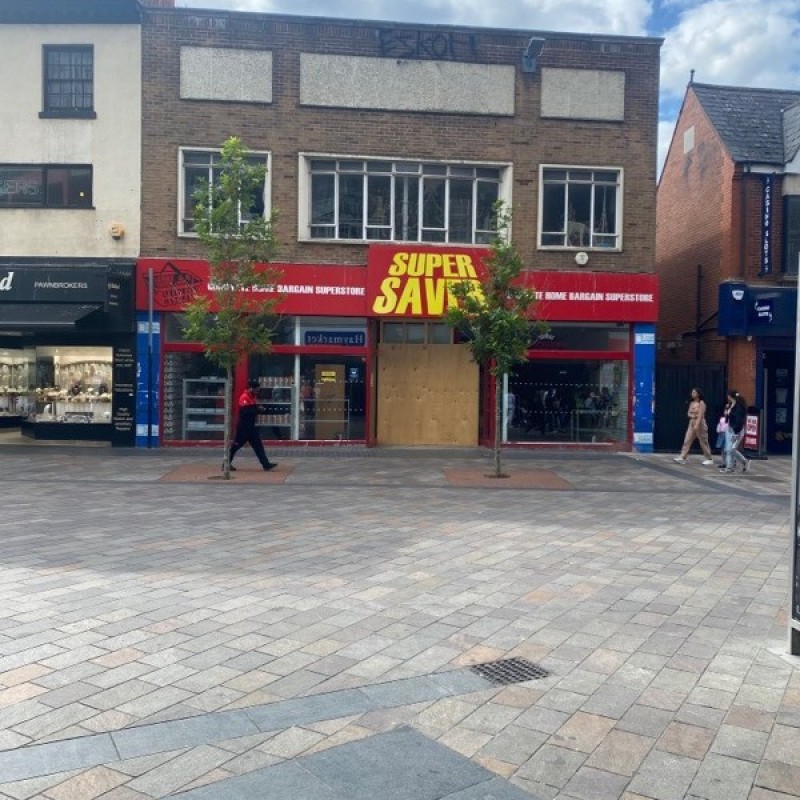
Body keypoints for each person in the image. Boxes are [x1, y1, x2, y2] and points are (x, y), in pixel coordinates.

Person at [227, 379, 277, 472]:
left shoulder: (252, 397)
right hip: (243, 427)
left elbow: (252, 409)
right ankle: (226, 463)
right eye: (257, 389)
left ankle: (266, 464)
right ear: (251, 388)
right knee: (236, 446)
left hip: (251, 427)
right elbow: (246, 412)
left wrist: (258, 408)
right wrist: (258, 409)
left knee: (258, 446)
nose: (258, 391)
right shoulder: (244, 397)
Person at [673, 387, 714, 465]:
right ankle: (682, 457)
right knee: (687, 440)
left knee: (703, 442)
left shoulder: (701, 403)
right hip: (692, 422)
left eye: (694, 392)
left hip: (700, 424)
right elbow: (688, 413)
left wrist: (697, 425)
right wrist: (693, 416)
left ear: (698, 394)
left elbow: (700, 415)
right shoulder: (692, 403)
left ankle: (709, 458)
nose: (692, 394)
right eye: (692, 392)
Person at [719, 389, 750, 474]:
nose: (727, 397)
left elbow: (739, 420)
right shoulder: (730, 405)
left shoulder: (739, 407)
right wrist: (726, 413)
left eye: (728, 395)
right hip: (730, 428)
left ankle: (730, 467)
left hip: (737, 430)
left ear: (730, 396)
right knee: (728, 449)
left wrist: (736, 432)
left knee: (731, 449)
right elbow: (728, 418)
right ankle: (743, 462)